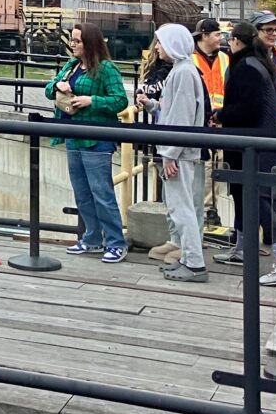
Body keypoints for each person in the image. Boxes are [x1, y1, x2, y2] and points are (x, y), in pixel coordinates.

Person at [211, 20, 276, 285]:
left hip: (251, 145)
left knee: (259, 201)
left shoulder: (245, 67)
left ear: (237, 40)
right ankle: (241, 248)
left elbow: (247, 108)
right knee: (242, 195)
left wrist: (221, 114)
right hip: (256, 143)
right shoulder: (258, 63)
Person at [45, 22, 130, 263]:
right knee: (82, 193)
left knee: (101, 192)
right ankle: (92, 238)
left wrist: (92, 100)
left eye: (77, 41)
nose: (72, 44)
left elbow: (120, 101)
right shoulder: (71, 66)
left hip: (96, 139)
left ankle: (115, 242)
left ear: (90, 43)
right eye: (71, 40)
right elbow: (49, 90)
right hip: (73, 137)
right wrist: (57, 86)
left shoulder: (106, 69)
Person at [149, 25, 208, 282]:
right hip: (179, 151)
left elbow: (181, 116)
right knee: (180, 208)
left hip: (180, 154)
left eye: (160, 42)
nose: (157, 47)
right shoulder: (182, 71)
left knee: (181, 209)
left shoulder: (183, 73)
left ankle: (194, 263)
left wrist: (170, 154)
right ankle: (188, 258)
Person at [191, 18, 231, 237]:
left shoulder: (224, 59)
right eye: (216, 34)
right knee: (204, 171)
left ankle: (211, 212)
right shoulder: (190, 60)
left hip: (220, 123)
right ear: (204, 36)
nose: (220, 38)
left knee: (216, 170)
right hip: (200, 124)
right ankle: (204, 215)